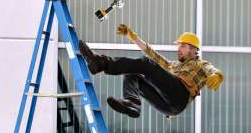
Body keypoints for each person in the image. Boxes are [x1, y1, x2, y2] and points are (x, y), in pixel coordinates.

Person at [78, 24, 224, 118]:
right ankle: (133, 103)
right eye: (179, 46)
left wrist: (217, 75)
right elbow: (152, 54)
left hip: (181, 95)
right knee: (134, 71)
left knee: (145, 64)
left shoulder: (200, 64)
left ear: (193, 49)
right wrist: (133, 38)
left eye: (183, 46)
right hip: (168, 107)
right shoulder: (172, 66)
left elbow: (211, 69)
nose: (178, 49)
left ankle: (101, 63)